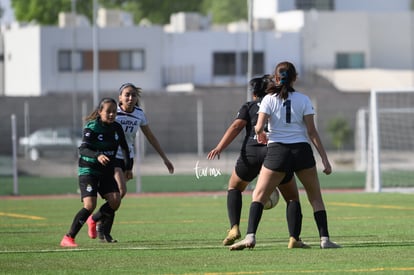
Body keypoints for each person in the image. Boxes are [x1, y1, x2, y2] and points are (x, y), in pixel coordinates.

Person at [230, 61, 341, 250]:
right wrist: (325, 159)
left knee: (258, 195)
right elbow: (312, 132)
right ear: (295, 78)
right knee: (315, 198)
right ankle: (325, 239)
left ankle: (250, 237)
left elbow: (258, 126)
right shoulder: (304, 99)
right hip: (302, 152)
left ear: (275, 77)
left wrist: (260, 132)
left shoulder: (268, 99)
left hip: (278, 152)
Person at [207, 75, 309, 249]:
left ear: (254, 94)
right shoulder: (279, 103)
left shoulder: (250, 106)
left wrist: (219, 147)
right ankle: (294, 238)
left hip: (252, 153)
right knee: (292, 198)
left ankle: (234, 228)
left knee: (234, 187)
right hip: (275, 153)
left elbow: (236, 126)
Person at [88, 83, 175, 242]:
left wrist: (164, 158)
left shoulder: (139, 114)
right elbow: (95, 127)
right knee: (120, 192)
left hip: (128, 158)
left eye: (133, 95)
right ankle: (94, 219)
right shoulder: (113, 112)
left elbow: (151, 137)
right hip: (112, 156)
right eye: (126, 94)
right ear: (119, 96)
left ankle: (103, 231)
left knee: (117, 197)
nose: (130, 98)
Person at [60, 97, 132, 247]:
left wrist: (128, 167)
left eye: (114, 112)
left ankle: (97, 224)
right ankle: (68, 238)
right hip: (89, 170)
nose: (112, 114)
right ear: (100, 112)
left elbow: (125, 148)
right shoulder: (91, 127)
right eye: (108, 112)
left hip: (106, 171)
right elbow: (83, 149)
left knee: (115, 201)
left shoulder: (117, 128)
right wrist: (97, 155)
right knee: (90, 205)